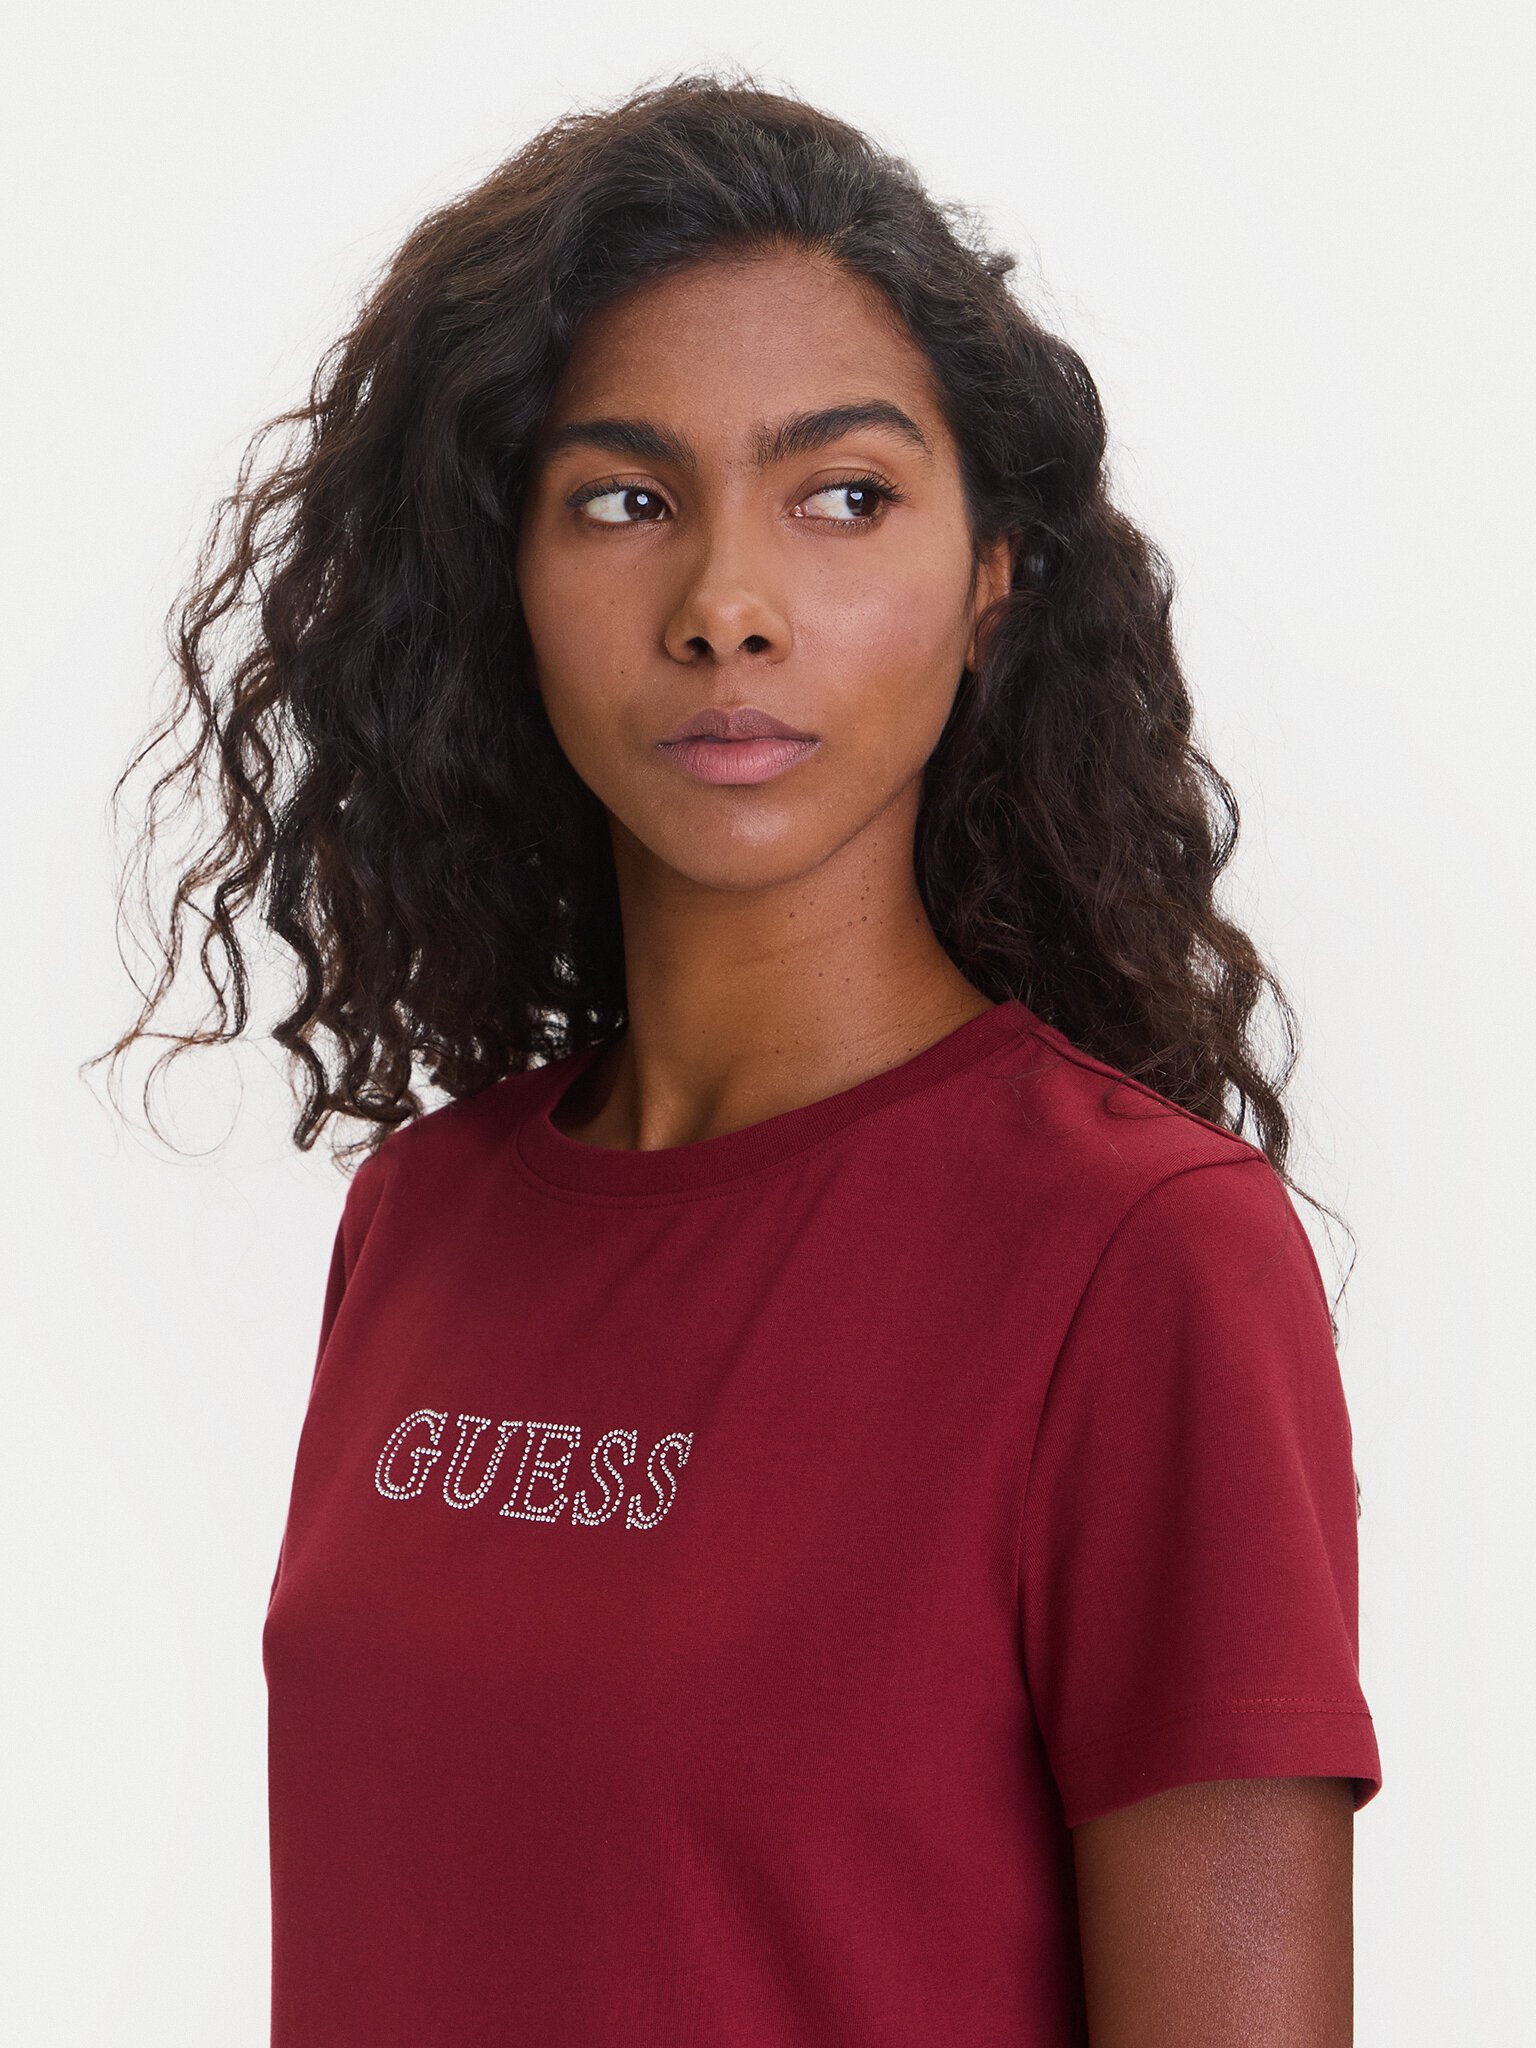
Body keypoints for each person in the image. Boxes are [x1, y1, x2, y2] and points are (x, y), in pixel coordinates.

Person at [97, 71, 1383, 2048]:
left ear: (993, 575)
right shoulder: (422, 1220)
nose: (726, 609)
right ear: (504, 578)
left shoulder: (1141, 1258)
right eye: (626, 500)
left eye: (844, 495)